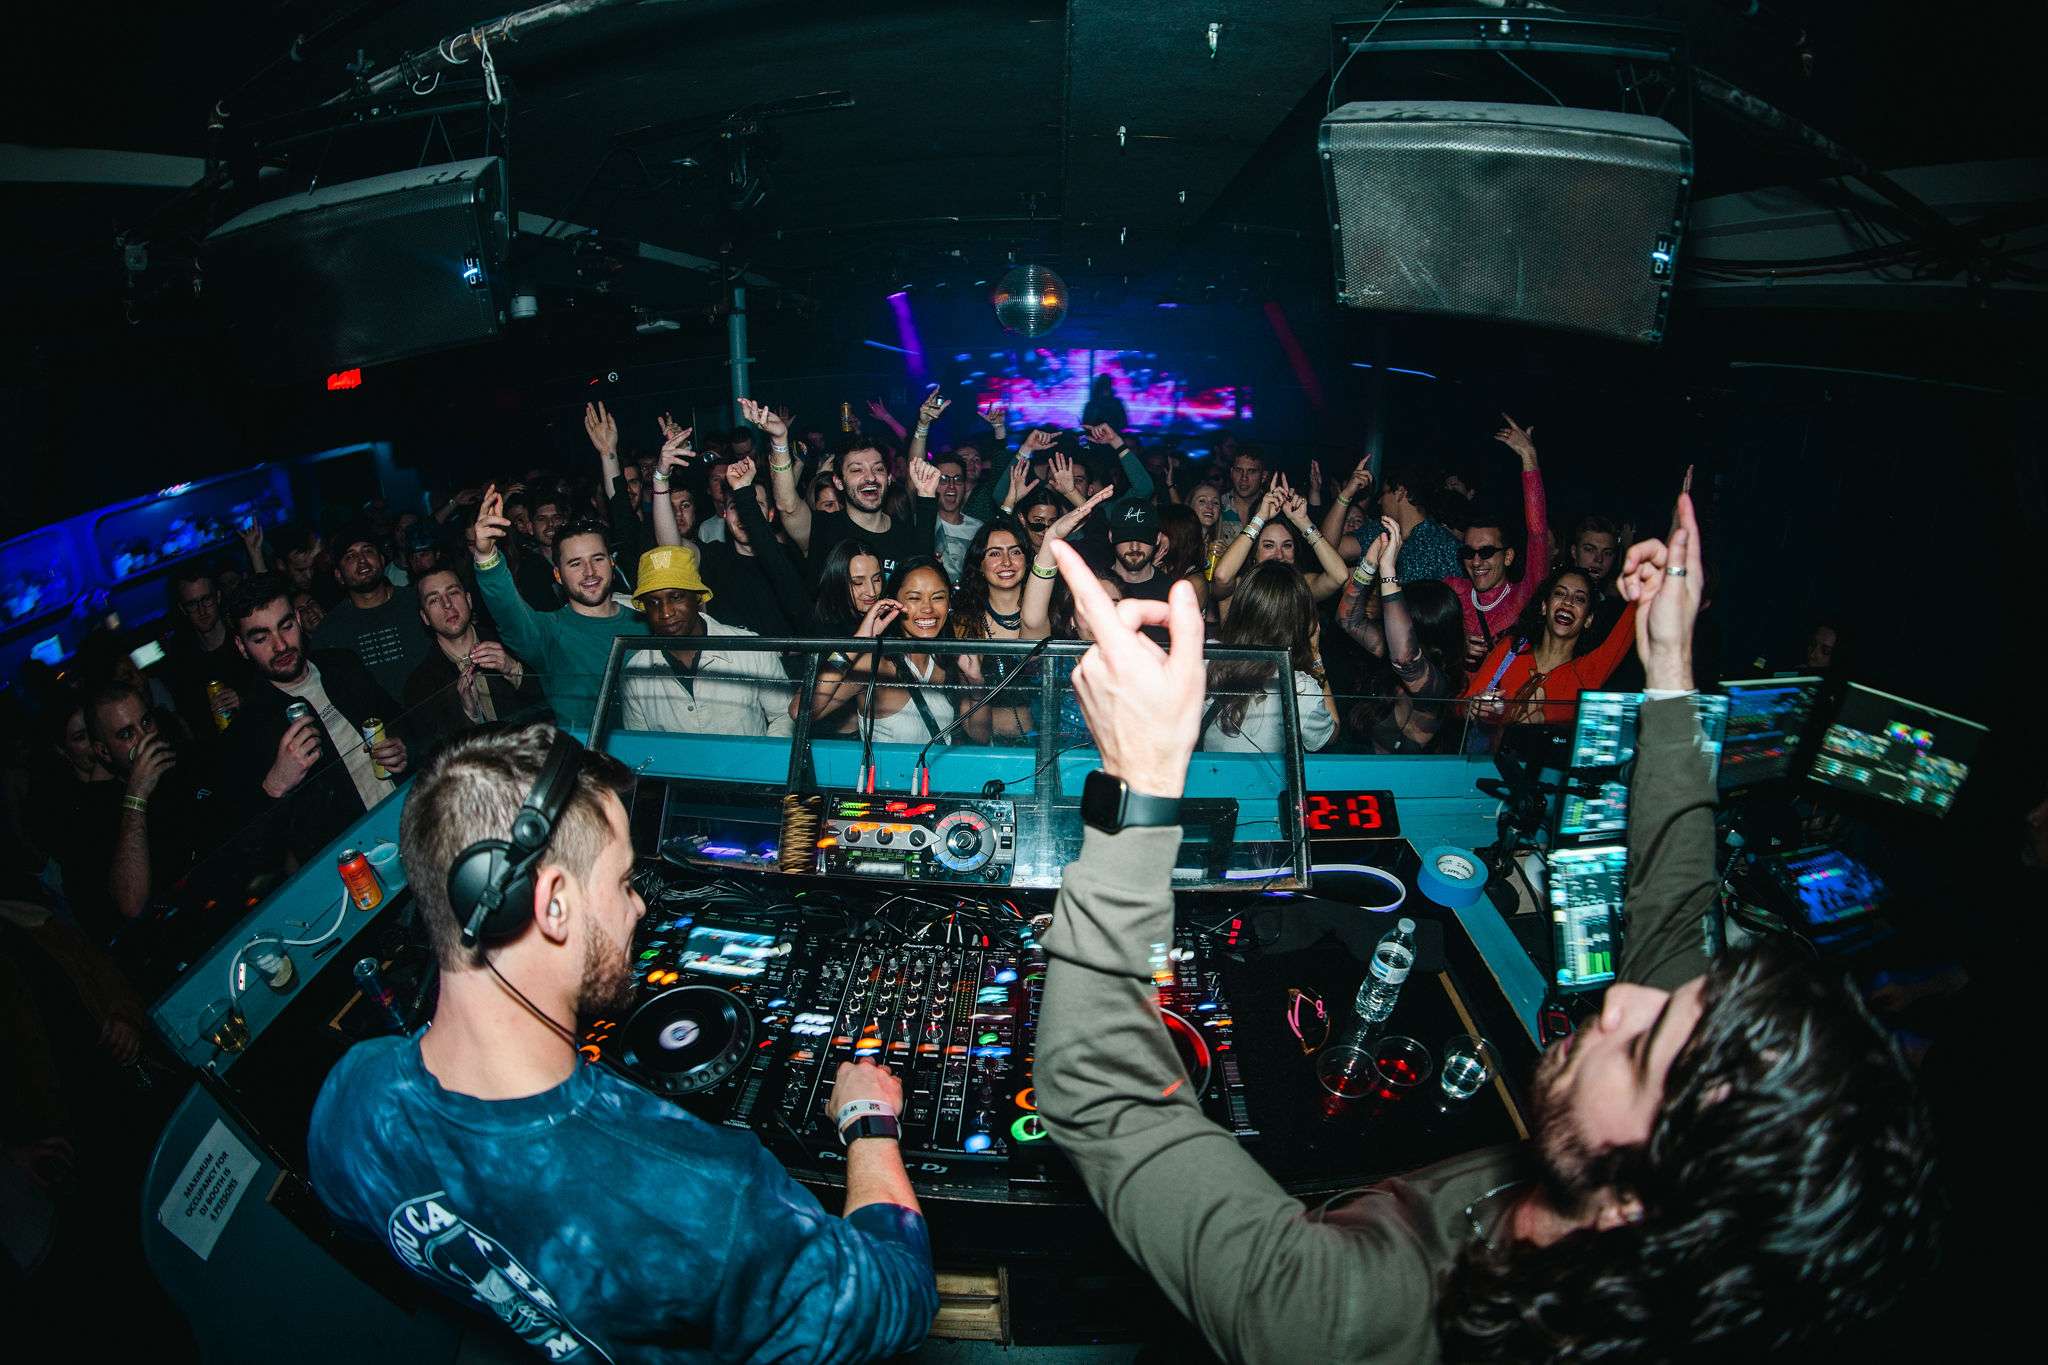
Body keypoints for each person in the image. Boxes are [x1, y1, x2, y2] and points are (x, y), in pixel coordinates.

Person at [1030, 490, 1938, 1361]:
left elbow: (1098, 1092)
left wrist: (1143, 782)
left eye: (1639, 1045)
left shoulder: (1362, 1322)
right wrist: (1669, 671)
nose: (1621, 1000)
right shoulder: (1672, 1178)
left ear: (1630, 1215)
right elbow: (1676, 908)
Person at [306, 726, 937, 1361]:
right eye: (626, 881)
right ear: (552, 905)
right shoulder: (707, 1196)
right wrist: (868, 1120)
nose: (639, 908)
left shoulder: (351, 1099)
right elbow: (896, 1296)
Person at [218, 574, 411, 865]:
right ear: (241, 646)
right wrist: (274, 787)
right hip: (351, 867)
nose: (280, 645)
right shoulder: (248, 729)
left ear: (298, 619)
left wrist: (400, 744)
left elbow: (404, 720)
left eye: (286, 626)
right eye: (261, 638)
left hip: (407, 820)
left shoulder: (342, 665)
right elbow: (248, 851)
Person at [470, 489, 642, 732]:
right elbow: (509, 613)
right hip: (585, 761)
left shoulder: (644, 623)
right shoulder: (549, 632)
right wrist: (486, 556)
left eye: (598, 559)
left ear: (612, 564)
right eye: (575, 563)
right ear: (558, 575)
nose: (590, 571)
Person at [756, 398, 940, 582]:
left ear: (889, 478)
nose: (870, 477)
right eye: (857, 470)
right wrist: (779, 440)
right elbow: (788, 506)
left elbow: (915, 472)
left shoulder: (905, 533)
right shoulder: (823, 529)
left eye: (878, 469)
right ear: (838, 482)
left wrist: (923, 426)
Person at [621, 546, 794, 736]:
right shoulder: (636, 672)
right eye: (653, 603)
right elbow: (639, 743)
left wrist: (762, 761)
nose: (666, 612)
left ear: (697, 597)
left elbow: (783, 715)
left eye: (676, 597)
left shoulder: (751, 648)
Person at [808, 559, 985, 745]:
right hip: (885, 774)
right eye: (914, 598)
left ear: (949, 602)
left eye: (938, 597)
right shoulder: (874, 664)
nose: (928, 608)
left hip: (936, 773)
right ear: (894, 603)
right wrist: (854, 645)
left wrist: (976, 682)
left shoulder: (952, 658)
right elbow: (800, 711)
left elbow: (979, 735)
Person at [651, 437, 808, 639]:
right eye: (735, 507)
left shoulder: (788, 558)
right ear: (724, 514)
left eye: (753, 506)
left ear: (770, 515)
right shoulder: (714, 556)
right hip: (727, 664)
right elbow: (670, 546)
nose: (744, 516)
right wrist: (660, 476)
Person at [1338, 518, 1471, 753]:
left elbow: (1405, 660)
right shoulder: (1389, 648)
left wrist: (1389, 572)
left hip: (1408, 784)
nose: (1391, 618)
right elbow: (1348, 620)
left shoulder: (1437, 684)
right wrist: (1370, 562)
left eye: (1399, 616)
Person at [1438, 414, 1551, 668]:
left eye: (1487, 552)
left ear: (1508, 556)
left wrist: (1529, 458)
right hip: (1459, 705)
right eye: (1469, 552)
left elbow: (1537, 534)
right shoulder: (1454, 591)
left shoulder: (1525, 594)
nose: (1476, 561)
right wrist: (1454, 643)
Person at [1464, 568, 1639, 731]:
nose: (1568, 602)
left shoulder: (1590, 670)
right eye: (1560, 593)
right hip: (1494, 763)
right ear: (1544, 607)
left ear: (1588, 619)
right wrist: (1475, 708)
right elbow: (1463, 705)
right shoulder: (1512, 649)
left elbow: (1634, 614)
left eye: (1579, 599)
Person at [402, 568, 548, 756]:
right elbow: (433, 756)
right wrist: (469, 713)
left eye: (453, 592)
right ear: (425, 617)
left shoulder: (510, 642)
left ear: (469, 600)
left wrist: (514, 670)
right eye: (434, 599)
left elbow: (554, 699)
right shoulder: (420, 685)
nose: (447, 604)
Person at [1198, 561, 1338, 755]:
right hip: (1265, 785)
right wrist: (1316, 657)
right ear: (1300, 621)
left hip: (1207, 782)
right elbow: (1330, 735)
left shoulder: (1207, 657)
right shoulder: (1298, 688)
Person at [314, 521, 435, 701]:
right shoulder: (329, 632)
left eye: (368, 551)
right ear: (339, 575)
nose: (362, 560)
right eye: (350, 556)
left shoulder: (419, 602)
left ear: (382, 560)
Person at [1208, 475, 1350, 614]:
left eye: (1287, 545)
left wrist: (1303, 522)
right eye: (1269, 546)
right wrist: (1260, 518)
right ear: (1254, 553)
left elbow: (1339, 576)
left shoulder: (1300, 587)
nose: (1279, 555)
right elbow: (1222, 576)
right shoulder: (1241, 586)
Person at [159, 567, 250, 737]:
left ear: (217, 597)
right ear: (183, 609)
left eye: (206, 599)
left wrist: (244, 701)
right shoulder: (183, 661)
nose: (202, 610)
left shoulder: (244, 641)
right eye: (192, 604)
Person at [809, 540, 887, 637]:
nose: (872, 592)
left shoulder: (888, 621)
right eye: (857, 582)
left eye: (876, 579)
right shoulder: (822, 629)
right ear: (837, 582)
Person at [929, 452, 984, 584]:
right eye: (943, 479)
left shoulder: (979, 529)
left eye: (957, 479)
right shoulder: (924, 524)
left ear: (965, 486)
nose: (951, 485)